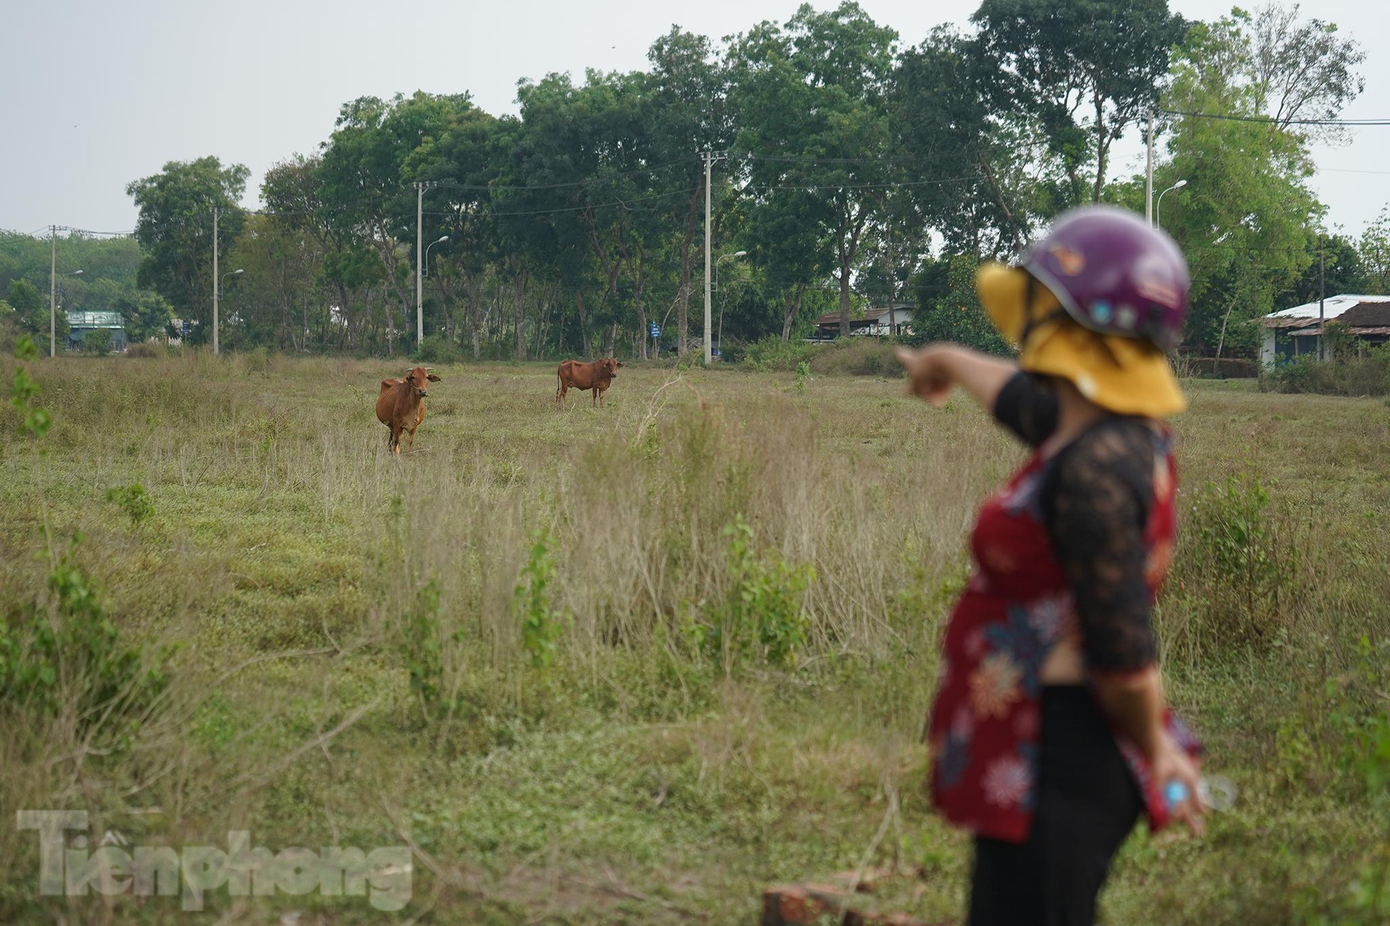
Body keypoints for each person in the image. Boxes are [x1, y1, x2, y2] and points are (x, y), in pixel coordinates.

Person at [896, 206, 1206, 926]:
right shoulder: (1095, 428)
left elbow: (1121, 647)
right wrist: (941, 361)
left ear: (1062, 318)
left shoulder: (1099, 467)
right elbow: (1015, 397)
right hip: (1040, 744)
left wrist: (1157, 747)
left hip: (1061, 753)